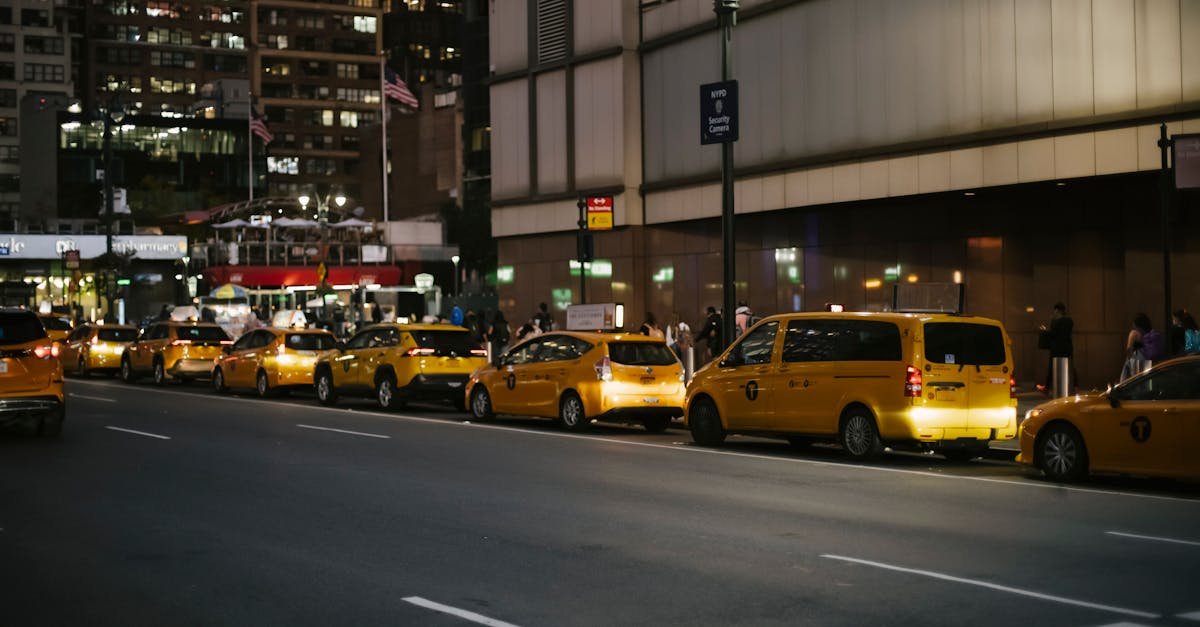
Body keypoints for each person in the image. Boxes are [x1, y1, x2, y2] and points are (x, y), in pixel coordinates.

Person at [1036, 302, 1075, 395]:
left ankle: (1046, 388)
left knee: (1051, 368)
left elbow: (1053, 334)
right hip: (1067, 348)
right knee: (1071, 367)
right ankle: (1074, 388)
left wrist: (1044, 331)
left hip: (1056, 349)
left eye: (1055, 311)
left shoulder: (1055, 321)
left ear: (1057, 310)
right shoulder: (1069, 321)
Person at [1120, 313, 1156, 381]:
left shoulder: (1134, 333)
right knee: (1145, 382)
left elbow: (1129, 348)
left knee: (1134, 382)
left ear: (1136, 324)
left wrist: (1129, 359)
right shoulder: (1152, 333)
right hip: (1148, 360)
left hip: (1136, 360)